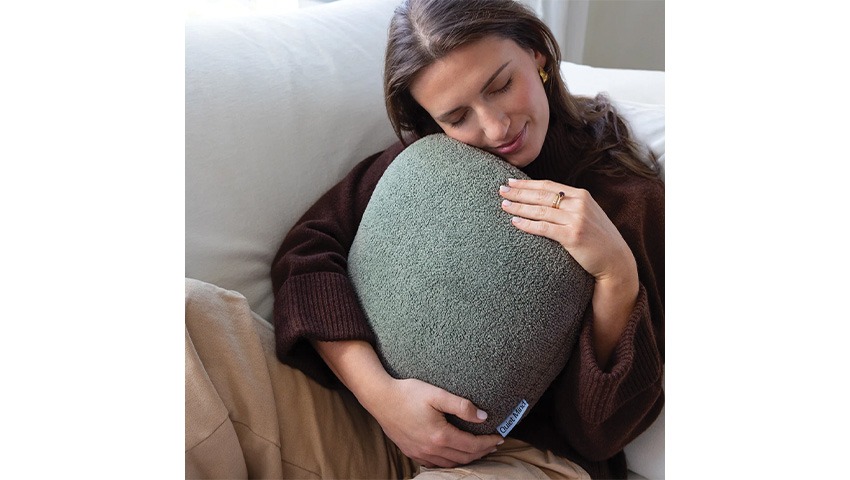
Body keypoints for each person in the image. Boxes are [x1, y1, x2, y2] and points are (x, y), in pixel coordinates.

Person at [187, 0, 663, 478]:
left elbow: (599, 434)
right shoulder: (427, 166)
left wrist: (616, 276)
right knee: (186, 311)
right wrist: (381, 396)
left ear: (537, 54)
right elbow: (306, 254)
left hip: (519, 457)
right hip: (362, 420)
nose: (495, 127)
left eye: (501, 85)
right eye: (458, 117)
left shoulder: (628, 199)